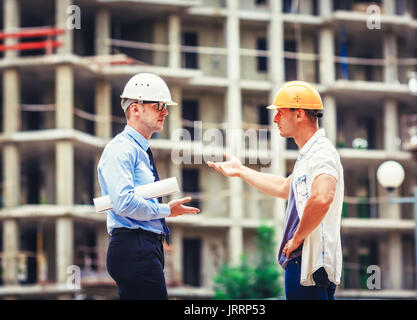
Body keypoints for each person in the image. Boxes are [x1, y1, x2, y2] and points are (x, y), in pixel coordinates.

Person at [208, 81, 344, 300]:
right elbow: (283, 187)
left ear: (299, 114)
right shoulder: (309, 155)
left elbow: (322, 197)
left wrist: (297, 238)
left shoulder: (321, 153)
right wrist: (241, 170)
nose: (275, 119)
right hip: (305, 264)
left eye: (280, 112)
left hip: (307, 264)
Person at [97, 73, 200, 300]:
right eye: (159, 106)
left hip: (143, 247)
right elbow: (124, 202)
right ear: (136, 109)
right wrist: (165, 211)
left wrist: (166, 212)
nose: (165, 111)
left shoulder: (138, 149)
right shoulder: (122, 149)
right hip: (135, 247)